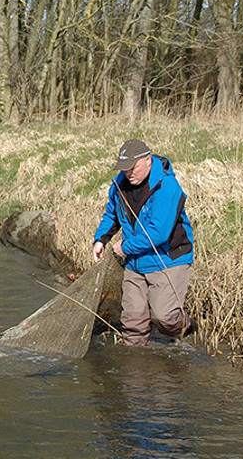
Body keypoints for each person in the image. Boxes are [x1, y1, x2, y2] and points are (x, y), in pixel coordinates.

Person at [93, 139, 194, 346]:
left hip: (168, 259)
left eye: (133, 168)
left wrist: (124, 247)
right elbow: (111, 214)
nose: (129, 174)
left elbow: (158, 233)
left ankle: (187, 327)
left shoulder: (167, 186)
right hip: (135, 262)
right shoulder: (119, 186)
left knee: (164, 318)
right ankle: (136, 369)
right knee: (132, 323)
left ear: (148, 160)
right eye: (124, 169)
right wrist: (100, 240)